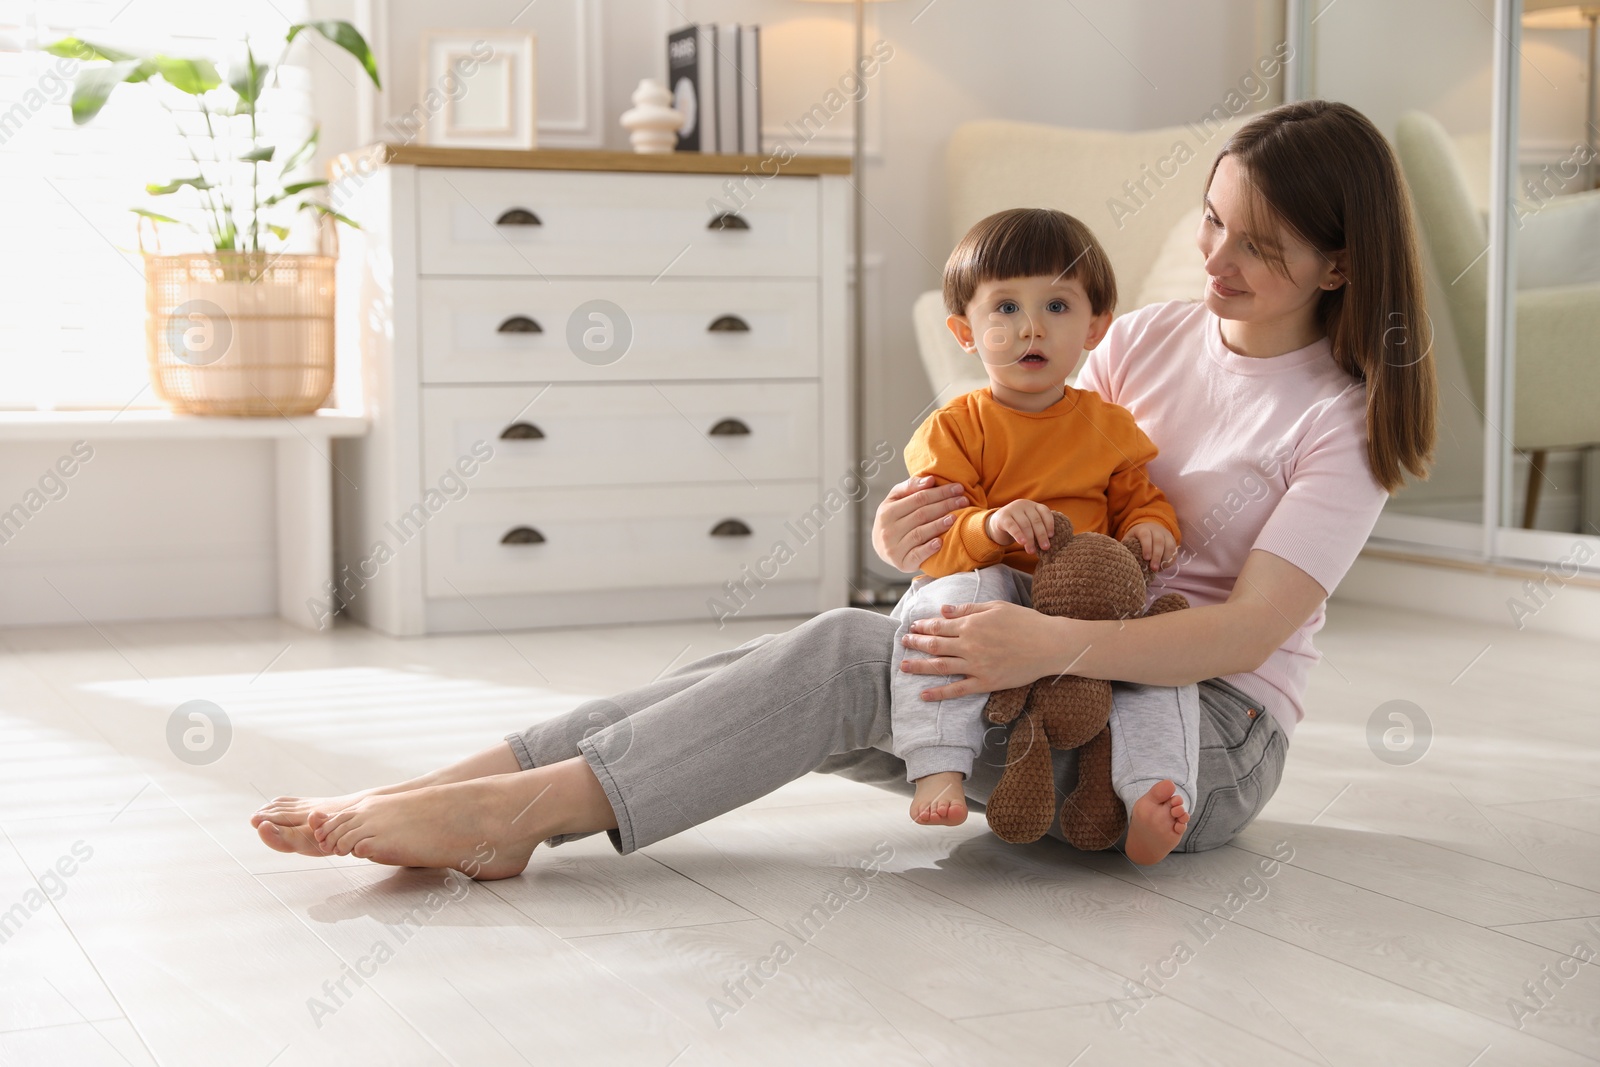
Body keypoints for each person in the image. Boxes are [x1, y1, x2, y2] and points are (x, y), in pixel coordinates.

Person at [251, 99, 1436, 879]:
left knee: (832, 663)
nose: (1217, 260)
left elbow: (1240, 633)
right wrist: (905, 528)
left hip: (1191, 740)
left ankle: (517, 818)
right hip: (1040, 655)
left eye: (1260, 246)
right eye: (1212, 222)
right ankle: (457, 786)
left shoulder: (1344, 424)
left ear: (1340, 262)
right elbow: (1017, 471)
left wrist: (1042, 645)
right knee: (777, 663)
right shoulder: (1154, 336)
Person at [885, 206, 1190, 867]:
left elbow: (1144, 498)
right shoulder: (957, 427)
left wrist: (1149, 528)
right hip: (996, 589)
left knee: (1159, 652)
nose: (1030, 326)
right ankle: (938, 761)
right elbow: (934, 544)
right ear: (966, 332)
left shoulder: (1108, 425)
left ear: (1095, 327)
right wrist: (989, 523)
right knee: (945, 606)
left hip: (1081, 610)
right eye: (1004, 308)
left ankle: (1152, 793)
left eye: (1057, 304)